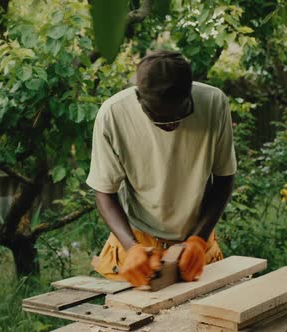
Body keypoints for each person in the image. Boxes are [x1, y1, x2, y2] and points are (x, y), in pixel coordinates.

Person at [86, 50, 236, 287]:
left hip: (196, 242)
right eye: (160, 120)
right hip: (138, 243)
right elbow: (104, 191)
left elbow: (224, 178)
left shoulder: (214, 103)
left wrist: (199, 239)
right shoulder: (113, 115)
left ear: (190, 95)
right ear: (138, 98)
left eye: (179, 116)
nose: (172, 125)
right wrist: (131, 247)